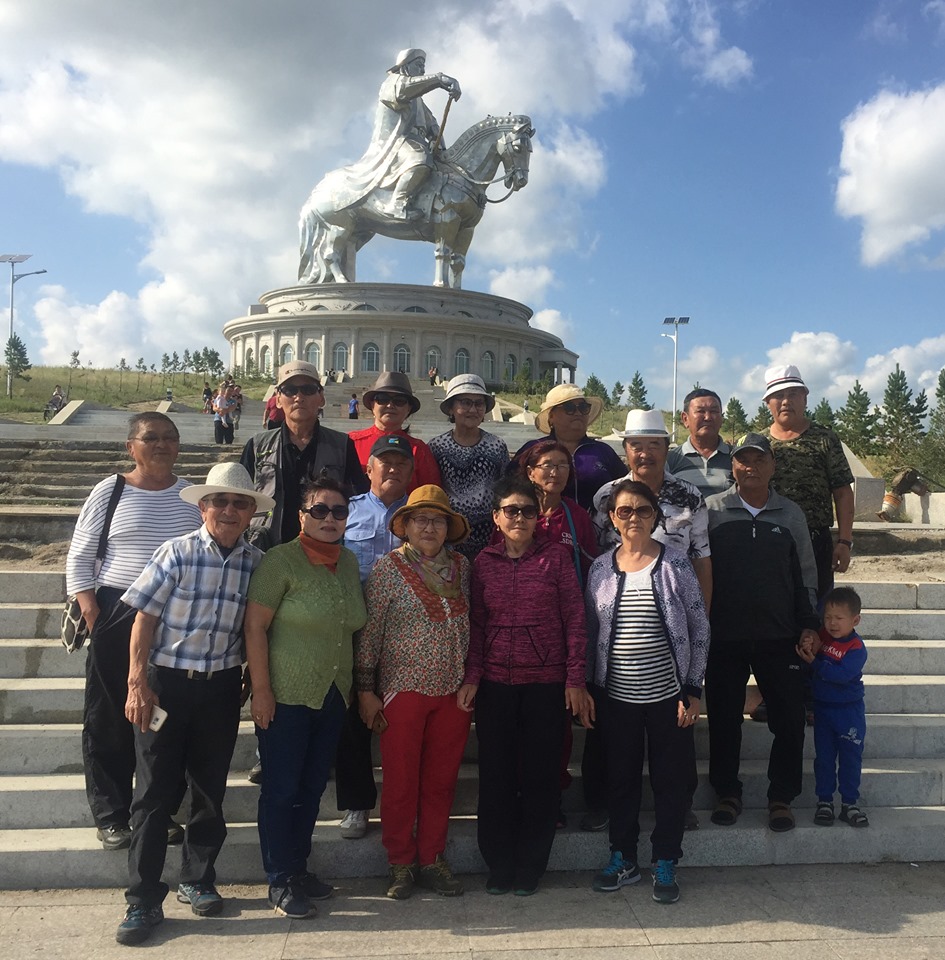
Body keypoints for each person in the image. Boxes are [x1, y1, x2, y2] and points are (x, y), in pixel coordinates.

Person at [115, 462, 270, 945]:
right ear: (203, 506)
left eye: (240, 503)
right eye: (220, 501)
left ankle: (198, 878)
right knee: (154, 793)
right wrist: (137, 683)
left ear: (251, 513)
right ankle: (142, 898)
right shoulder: (176, 551)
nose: (229, 510)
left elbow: (256, 628)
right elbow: (143, 620)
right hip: (166, 684)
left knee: (209, 789)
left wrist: (252, 678)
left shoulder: (256, 562)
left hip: (220, 688)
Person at [66, 413, 202, 851]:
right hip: (116, 611)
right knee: (108, 716)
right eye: (151, 438)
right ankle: (112, 814)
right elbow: (79, 558)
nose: (161, 445)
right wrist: (95, 616)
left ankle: (156, 811)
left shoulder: (191, 496)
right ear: (131, 447)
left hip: (176, 619)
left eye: (169, 438)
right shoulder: (111, 490)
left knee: (164, 718)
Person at [458, 476, 592, 897]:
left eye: (528, 511)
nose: (519, 518)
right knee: (496, 776)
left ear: (538, 517)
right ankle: (499, 864)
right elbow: (477, 624)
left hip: (546, 685)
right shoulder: (483, 563)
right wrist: (473, 676)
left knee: (540, 778)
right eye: (511, 511)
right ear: (497, 517)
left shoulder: (556, 558)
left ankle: (531, 865)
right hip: (496, 685)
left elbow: (575, 619)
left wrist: (575, 678)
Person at [244, 476, 367, 919]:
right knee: (282, 789)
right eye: (320, 510)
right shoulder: (281, 561)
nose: (330, 518)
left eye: (339, 511)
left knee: (312, 788)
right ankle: (279, 879)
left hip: (333, 696)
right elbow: (254, 627)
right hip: (286, 695)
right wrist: (261, 691)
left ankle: (297, 868)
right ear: (302, 516)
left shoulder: (348, 562)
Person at [585, 479, 709, 904]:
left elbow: (699, 626)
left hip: (669, 698)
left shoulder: (675, 564)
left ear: (655, 516)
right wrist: (589, 687)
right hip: (616, 697)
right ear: (612, 518)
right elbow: (591, 631)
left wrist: (693, 688)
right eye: (625, 511)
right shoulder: (600, 568)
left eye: (642, 509)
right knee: (620, 780)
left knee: (670, 782)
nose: (633, 517)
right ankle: (623, 857)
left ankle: (665, 858)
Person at [589, 408, 710, 832]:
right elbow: (598, 557)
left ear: (665, 448)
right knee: (612, 741)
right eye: (636, 445)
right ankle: (604, 806)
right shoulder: (606, 497)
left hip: (674, 624)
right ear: (625, 450)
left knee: (675, 740)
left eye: (654, 445)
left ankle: (680, 806)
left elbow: (702, 556)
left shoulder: (689, 496)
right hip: (619, 626)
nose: (645, 453)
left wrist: (699, 622)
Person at [356, 485, 472, 900]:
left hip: (453, 690)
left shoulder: (462, 568)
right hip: (402, 689)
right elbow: (370, 632)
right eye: (420, 519)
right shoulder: (389, 569)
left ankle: (431, 858)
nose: (429, 527)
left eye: (438, 520)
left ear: (448, 528)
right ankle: (400, 861)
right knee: (401, 780)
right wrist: (365, 689)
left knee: (441, 781)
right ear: (404, 526)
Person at [704, 433, 820, 833]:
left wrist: (809, 624)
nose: (750, 466)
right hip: (724, 636)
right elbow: (699, 570)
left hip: (779, 635)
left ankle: (781, 797)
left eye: (758, 459)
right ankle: (726, 793)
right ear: (732, 466)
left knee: (788, 720)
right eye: (742, 460)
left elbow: (806, 574)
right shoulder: (712, 511)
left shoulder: (791, 514)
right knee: (723, 719)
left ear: (772, 465)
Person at [335, 435, 413, 840]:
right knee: (353, 723)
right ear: (369, 468)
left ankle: (407, 803)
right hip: (356, 629)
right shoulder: (345, 511)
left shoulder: (422, 514)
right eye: (386, 462)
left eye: (401, 463)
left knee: (404, 721)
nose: (393, 468)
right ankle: (357, 804)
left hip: (408, 635)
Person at [240, 360, 367, 550]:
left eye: (308, 390)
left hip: (324, 552)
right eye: (290, 390)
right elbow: (239, 499)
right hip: (265, 550)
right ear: (278, 398)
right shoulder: (257, 446)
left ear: (321, 397)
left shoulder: (342, 445)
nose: (299, 397)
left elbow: (359, 499)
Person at [762, 364, 854, 601]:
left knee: (815, 608)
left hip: (815, 541)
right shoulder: (759, 444)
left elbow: (843, 492)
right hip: (769, 540)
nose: (786, 401)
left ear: (805, 397)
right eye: (778, 396)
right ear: (768, 403)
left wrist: (844, 541)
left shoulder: (825, 439)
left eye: (793, 394)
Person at [797, 586, 869, 828]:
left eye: (839, 618)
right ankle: (824, 801)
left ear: (855, 620)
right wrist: (808, 647)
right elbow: (811, 660)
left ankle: (850, 804)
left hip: (849, 712)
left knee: (850, 758)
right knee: (824, 759)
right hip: (823, 710)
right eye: (828, 617)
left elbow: (841, 675)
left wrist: (815, 663)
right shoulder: (823, 637)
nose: (832, 623)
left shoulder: (856, 648)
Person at [362, 48, 461, 220]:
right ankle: (397, 203)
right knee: (419, 159)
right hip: (397, 142)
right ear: (405, 66)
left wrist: (438, 144)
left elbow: (431, 123)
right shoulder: (392, 84)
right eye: (418, 65)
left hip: (416, 141)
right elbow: (405, 88)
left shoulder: (418, 100)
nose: (422, 70)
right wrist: (438, 79)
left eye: (423, 66)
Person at [429, 373, 510, 560]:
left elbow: (505, 489)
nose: (473, 409)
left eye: (479, 403)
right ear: (451, 408)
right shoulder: (436, 447)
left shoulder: (496, 446)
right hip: (449, 536)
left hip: (489, 536)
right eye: (465, 403)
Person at [511, 383, 626, 511]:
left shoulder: (604, 451)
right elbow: (509, 489)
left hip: (596, 523)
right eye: (569, 407)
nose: (578, 413)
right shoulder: (533, 449)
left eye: (583, 408)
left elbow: (625, 489)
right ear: (551, 417)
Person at [515, 438, 597, 584]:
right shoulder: (513, 512)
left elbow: (590, 568)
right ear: (530, 472)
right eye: (547, 465)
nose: (555, 473)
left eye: (562, 466)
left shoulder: (577, 516)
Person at [349, 371, 442, 492]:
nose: (390, 405)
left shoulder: (419, 450)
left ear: (408, 409)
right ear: (372, 405)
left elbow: (431, 494)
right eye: (382, 399)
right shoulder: (352, 443)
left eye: (399, 401)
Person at [666, 389, 733, 497]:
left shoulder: (737, 458)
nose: (708, 417)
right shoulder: (669, 460)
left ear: (721, 418)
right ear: (685, 419)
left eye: (714, 411)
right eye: (700, 411)